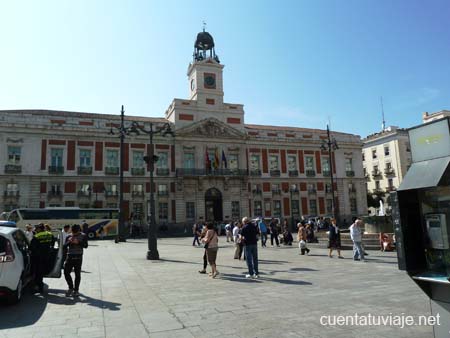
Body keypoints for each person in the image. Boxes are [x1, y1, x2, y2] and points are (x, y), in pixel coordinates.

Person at [64, 224, 88, 297]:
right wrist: (69, 241)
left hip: (78, 256)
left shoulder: (83, 235)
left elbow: (86, 246)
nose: (74, 234)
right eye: (73, 232)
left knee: (77, 274)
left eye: (75, 233)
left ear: (79, 230)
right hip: (70, 256)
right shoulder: (69, 236)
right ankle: (71, 287)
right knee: (66, 272)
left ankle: (76, 290)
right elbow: (64, 246)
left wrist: (78, 243)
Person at [29, 223, 54, 293]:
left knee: (37, 272)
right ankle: (40, 286)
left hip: (37, 257)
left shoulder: (37, 236)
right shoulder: (49, 234)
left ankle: (38, 287)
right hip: (47, 256)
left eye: (37, 228)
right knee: (41, 272)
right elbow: (53, 243)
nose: (36, 230)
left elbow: (31, 247)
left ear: (39, 229)